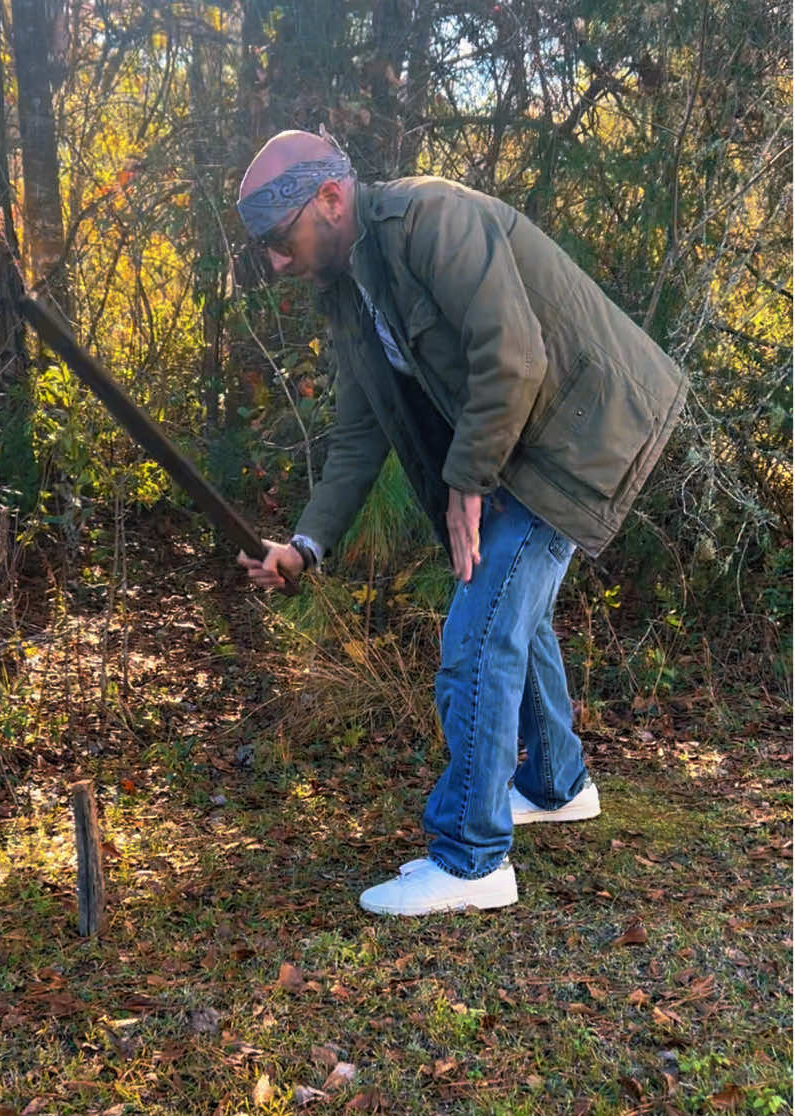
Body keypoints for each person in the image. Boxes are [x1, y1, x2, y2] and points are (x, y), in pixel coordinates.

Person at [235, 129, 687, 917]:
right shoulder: (349, 290)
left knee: (479, 634)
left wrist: (466, 483)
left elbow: (513, 356)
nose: (276, 262)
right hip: (527, 440)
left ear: (331, 200)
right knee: (513, 611)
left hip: (583, 430)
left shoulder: (430, 219)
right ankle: (555, 785)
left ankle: (473, 860)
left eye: (279, 239)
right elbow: (357, 432)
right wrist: (304, 545)